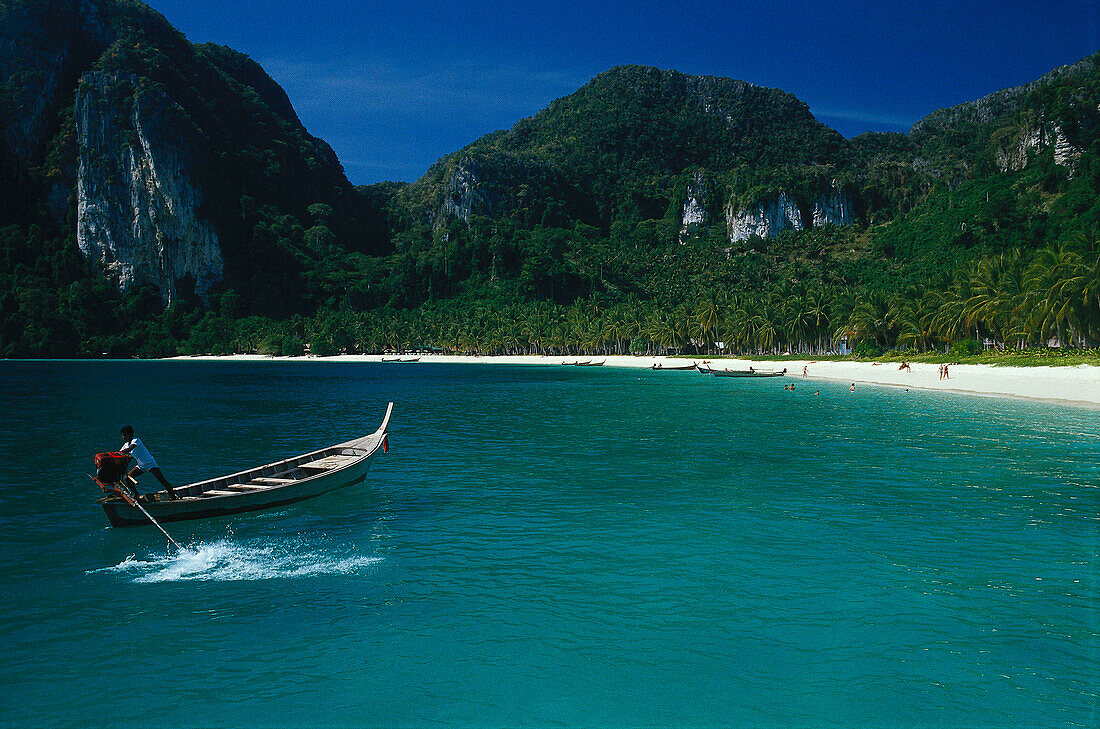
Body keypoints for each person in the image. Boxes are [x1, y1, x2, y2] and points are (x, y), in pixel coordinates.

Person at [119, 426, 179, 500]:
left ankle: (172, 495)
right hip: (141, 466)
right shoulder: (125, 445)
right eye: (123, 435)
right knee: (127, 478)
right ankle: (136, 494)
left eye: (125, 435)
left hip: (150, 464)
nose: (124, 437)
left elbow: (130, 449)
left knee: (162, 480)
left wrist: (122, 453)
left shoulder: (136, 440)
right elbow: (119, 453)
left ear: (130, 434)